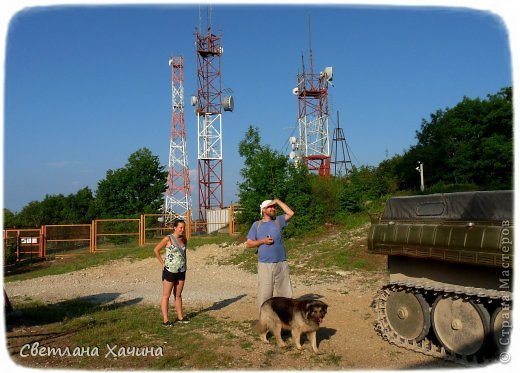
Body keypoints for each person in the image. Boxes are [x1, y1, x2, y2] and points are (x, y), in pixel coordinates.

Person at [246, 198, 295, 309]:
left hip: (281, 263)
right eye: (270, 207)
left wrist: (277, 201)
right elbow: (249, 244)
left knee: (286, 295)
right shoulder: (256, 225)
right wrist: (263, 241)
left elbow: (291, 213)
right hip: (265, 265)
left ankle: (287, 320)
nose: (273, 208)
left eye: (274, 207)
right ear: (263, 210)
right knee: (265, 296)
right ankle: (265, 322)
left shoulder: (278, 221)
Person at [153, 219, 190, 327]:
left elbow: (184, 253)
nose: (182, 230)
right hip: (170, 271)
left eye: (183, 228)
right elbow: (156, 250)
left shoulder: (184, 239)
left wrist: (185, 265)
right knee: (166, 296)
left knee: (178, 295)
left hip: (181, 271)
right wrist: (162, 263)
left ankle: (181, 317)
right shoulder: (168, 239)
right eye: (180, 227)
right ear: (175, 227)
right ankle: (166, 320)